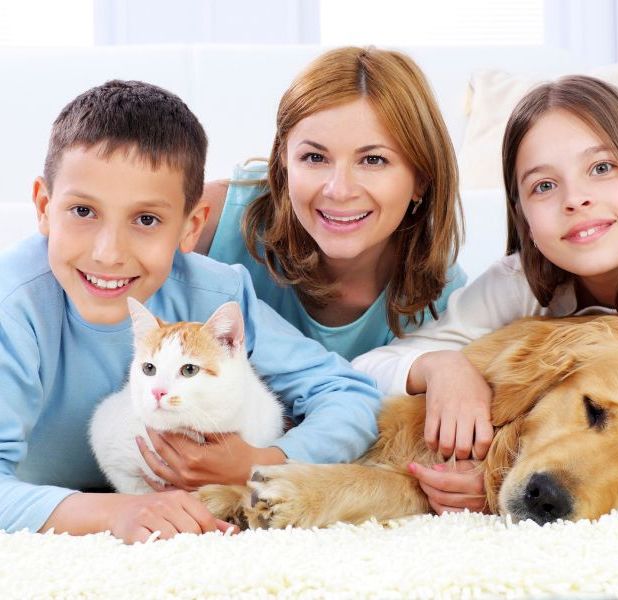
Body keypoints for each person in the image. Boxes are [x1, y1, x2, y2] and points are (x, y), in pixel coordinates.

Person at [0, 80, 382, 543]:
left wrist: (262, 461)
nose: (108, 253)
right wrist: (116, 512)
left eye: (146, 220)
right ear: (43, 207)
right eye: (83, 211)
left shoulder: (214, 294)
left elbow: (350, 396)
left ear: (190, 226)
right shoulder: (14, 307)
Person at [352, 74, 618, 515]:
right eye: (544, 186)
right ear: (521, 214)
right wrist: (441, 366)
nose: (576, 200)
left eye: (601, 168)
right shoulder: (520, 282)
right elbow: (367, 368)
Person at [192, 46, 472, 480]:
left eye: (373, 160)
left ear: (421, 178)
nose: (339, 190)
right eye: (315, 158)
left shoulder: (444, 297)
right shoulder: (209, 219)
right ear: (283, 164)